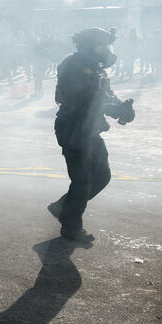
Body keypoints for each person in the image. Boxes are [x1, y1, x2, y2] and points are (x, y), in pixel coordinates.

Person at [49, 28, 135, 242]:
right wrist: (107, 106)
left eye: (107, 45)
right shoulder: (72, 66)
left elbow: (106, 96)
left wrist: (122, 110)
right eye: (101, 45)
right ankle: (71, 227)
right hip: (73, 130)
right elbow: (78, 99)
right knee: (82, 181)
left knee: (102, 176)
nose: (106, 49)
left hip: (90, 130)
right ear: (88, 46)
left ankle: (63, 207)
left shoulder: (96, 69)